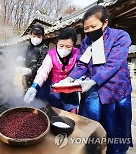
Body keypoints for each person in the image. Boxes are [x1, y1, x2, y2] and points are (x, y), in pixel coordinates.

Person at [58, 5, 132, 154]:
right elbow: (81, 65)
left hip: (116, 92)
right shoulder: (86, 42)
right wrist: (69, 79)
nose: (90, 30)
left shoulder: (120, 36)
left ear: (105, 23)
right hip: (93, 93)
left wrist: (92, 81)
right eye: (86, 28)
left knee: (115, 129)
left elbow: (113, 64)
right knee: (92, 128)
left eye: (93, 26)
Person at [24, 28, 79, 113]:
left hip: (67, 89)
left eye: (68, 47)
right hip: (49, 89)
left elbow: (80, 70)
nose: (64, 49)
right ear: (57, 43)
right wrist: (34, 87)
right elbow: (43, 71)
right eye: (61, 46)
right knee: (45, 111)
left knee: (68, 115)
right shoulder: (51, 55)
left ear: (73, 45)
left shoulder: (77, 54)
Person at [23, 24, 48, 89]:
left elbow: (42, 64)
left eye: (39, 37)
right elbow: (22, 55)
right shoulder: (27, 46)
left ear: (42, 37)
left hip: (37, 80)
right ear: (31, 35)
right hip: (25, 79)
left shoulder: (44, 48)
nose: (36, 39)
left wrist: (31, 70)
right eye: (34, 36)